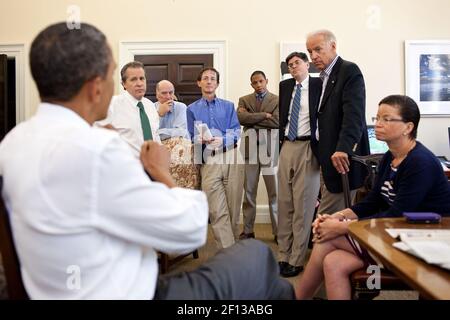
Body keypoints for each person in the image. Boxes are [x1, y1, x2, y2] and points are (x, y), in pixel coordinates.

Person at [0, 22, 294, 300]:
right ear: (95, 85)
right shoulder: (101, 151)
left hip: (54, 288)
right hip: (133, 291)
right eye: (114, 74)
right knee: (257, 255)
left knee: (271, 283)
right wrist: (160, 171)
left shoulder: (12, 144)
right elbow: (188, 231)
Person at [295, 95, 450, 300]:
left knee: (325, 241)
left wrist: (340, 227)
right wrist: (337, 217)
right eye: (377, 118)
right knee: (334, 262)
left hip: (421, 241)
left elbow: (396, 215)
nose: (377, 124)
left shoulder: (420, 162)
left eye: (386, 119)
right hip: (394, 233)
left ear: (408, 127)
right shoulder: (390, 157)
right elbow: (373, 201)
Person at [306, 29, 370, 215]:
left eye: (318, 49)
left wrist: (344, 148)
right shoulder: (321, 79)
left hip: (341, 160)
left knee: (325, 223)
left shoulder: (349, 71)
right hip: (325, 159)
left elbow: (354, 116)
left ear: (333, 46)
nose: (313, 56)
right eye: (310, 52)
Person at [187, 67, 244, 249]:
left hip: (231, 156)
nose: (209, 81)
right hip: (208, 160)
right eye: (205, 78)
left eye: (213, 78)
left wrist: (223, 139)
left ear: (217, 83)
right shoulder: (191, 109)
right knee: (216, 210)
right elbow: (189, 136)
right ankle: (228, 254)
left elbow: (236, 131)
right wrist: (199, 139)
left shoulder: (228, 106)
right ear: (199, 83)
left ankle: (231, 248)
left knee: (233, 209)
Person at [277, 52, 322, 278]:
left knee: (303, 207)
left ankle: (296, 259)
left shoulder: (319, 84)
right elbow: (282, 118)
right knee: (285, 203)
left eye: (297, 63)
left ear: (307, 64)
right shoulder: (285, 86)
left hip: (308, 148)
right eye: (290, 65)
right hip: (287, 145)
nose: (293, 67)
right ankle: (283, 255)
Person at [237, 70, 279, 241]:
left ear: (266, 81)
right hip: (250, 151)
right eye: (255, 82)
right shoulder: (244, 99)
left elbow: (277, 122)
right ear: (251, 84)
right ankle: (248, 231)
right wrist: (263, 116)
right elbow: (241, 119)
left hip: (270, 151)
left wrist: (251, 119)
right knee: (249, 193)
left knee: (275, 193)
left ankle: (278, 232)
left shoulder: (277, 99)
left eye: (261, 81)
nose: (258, 85)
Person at [97, 61, 160, 157]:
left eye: (142, 78)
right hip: (124, 167)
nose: (139, 83)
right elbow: (98, 137)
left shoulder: (150, 106)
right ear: (123, 84)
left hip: (152, 167)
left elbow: (155, 136)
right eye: (133, 79)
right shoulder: (112, 105)